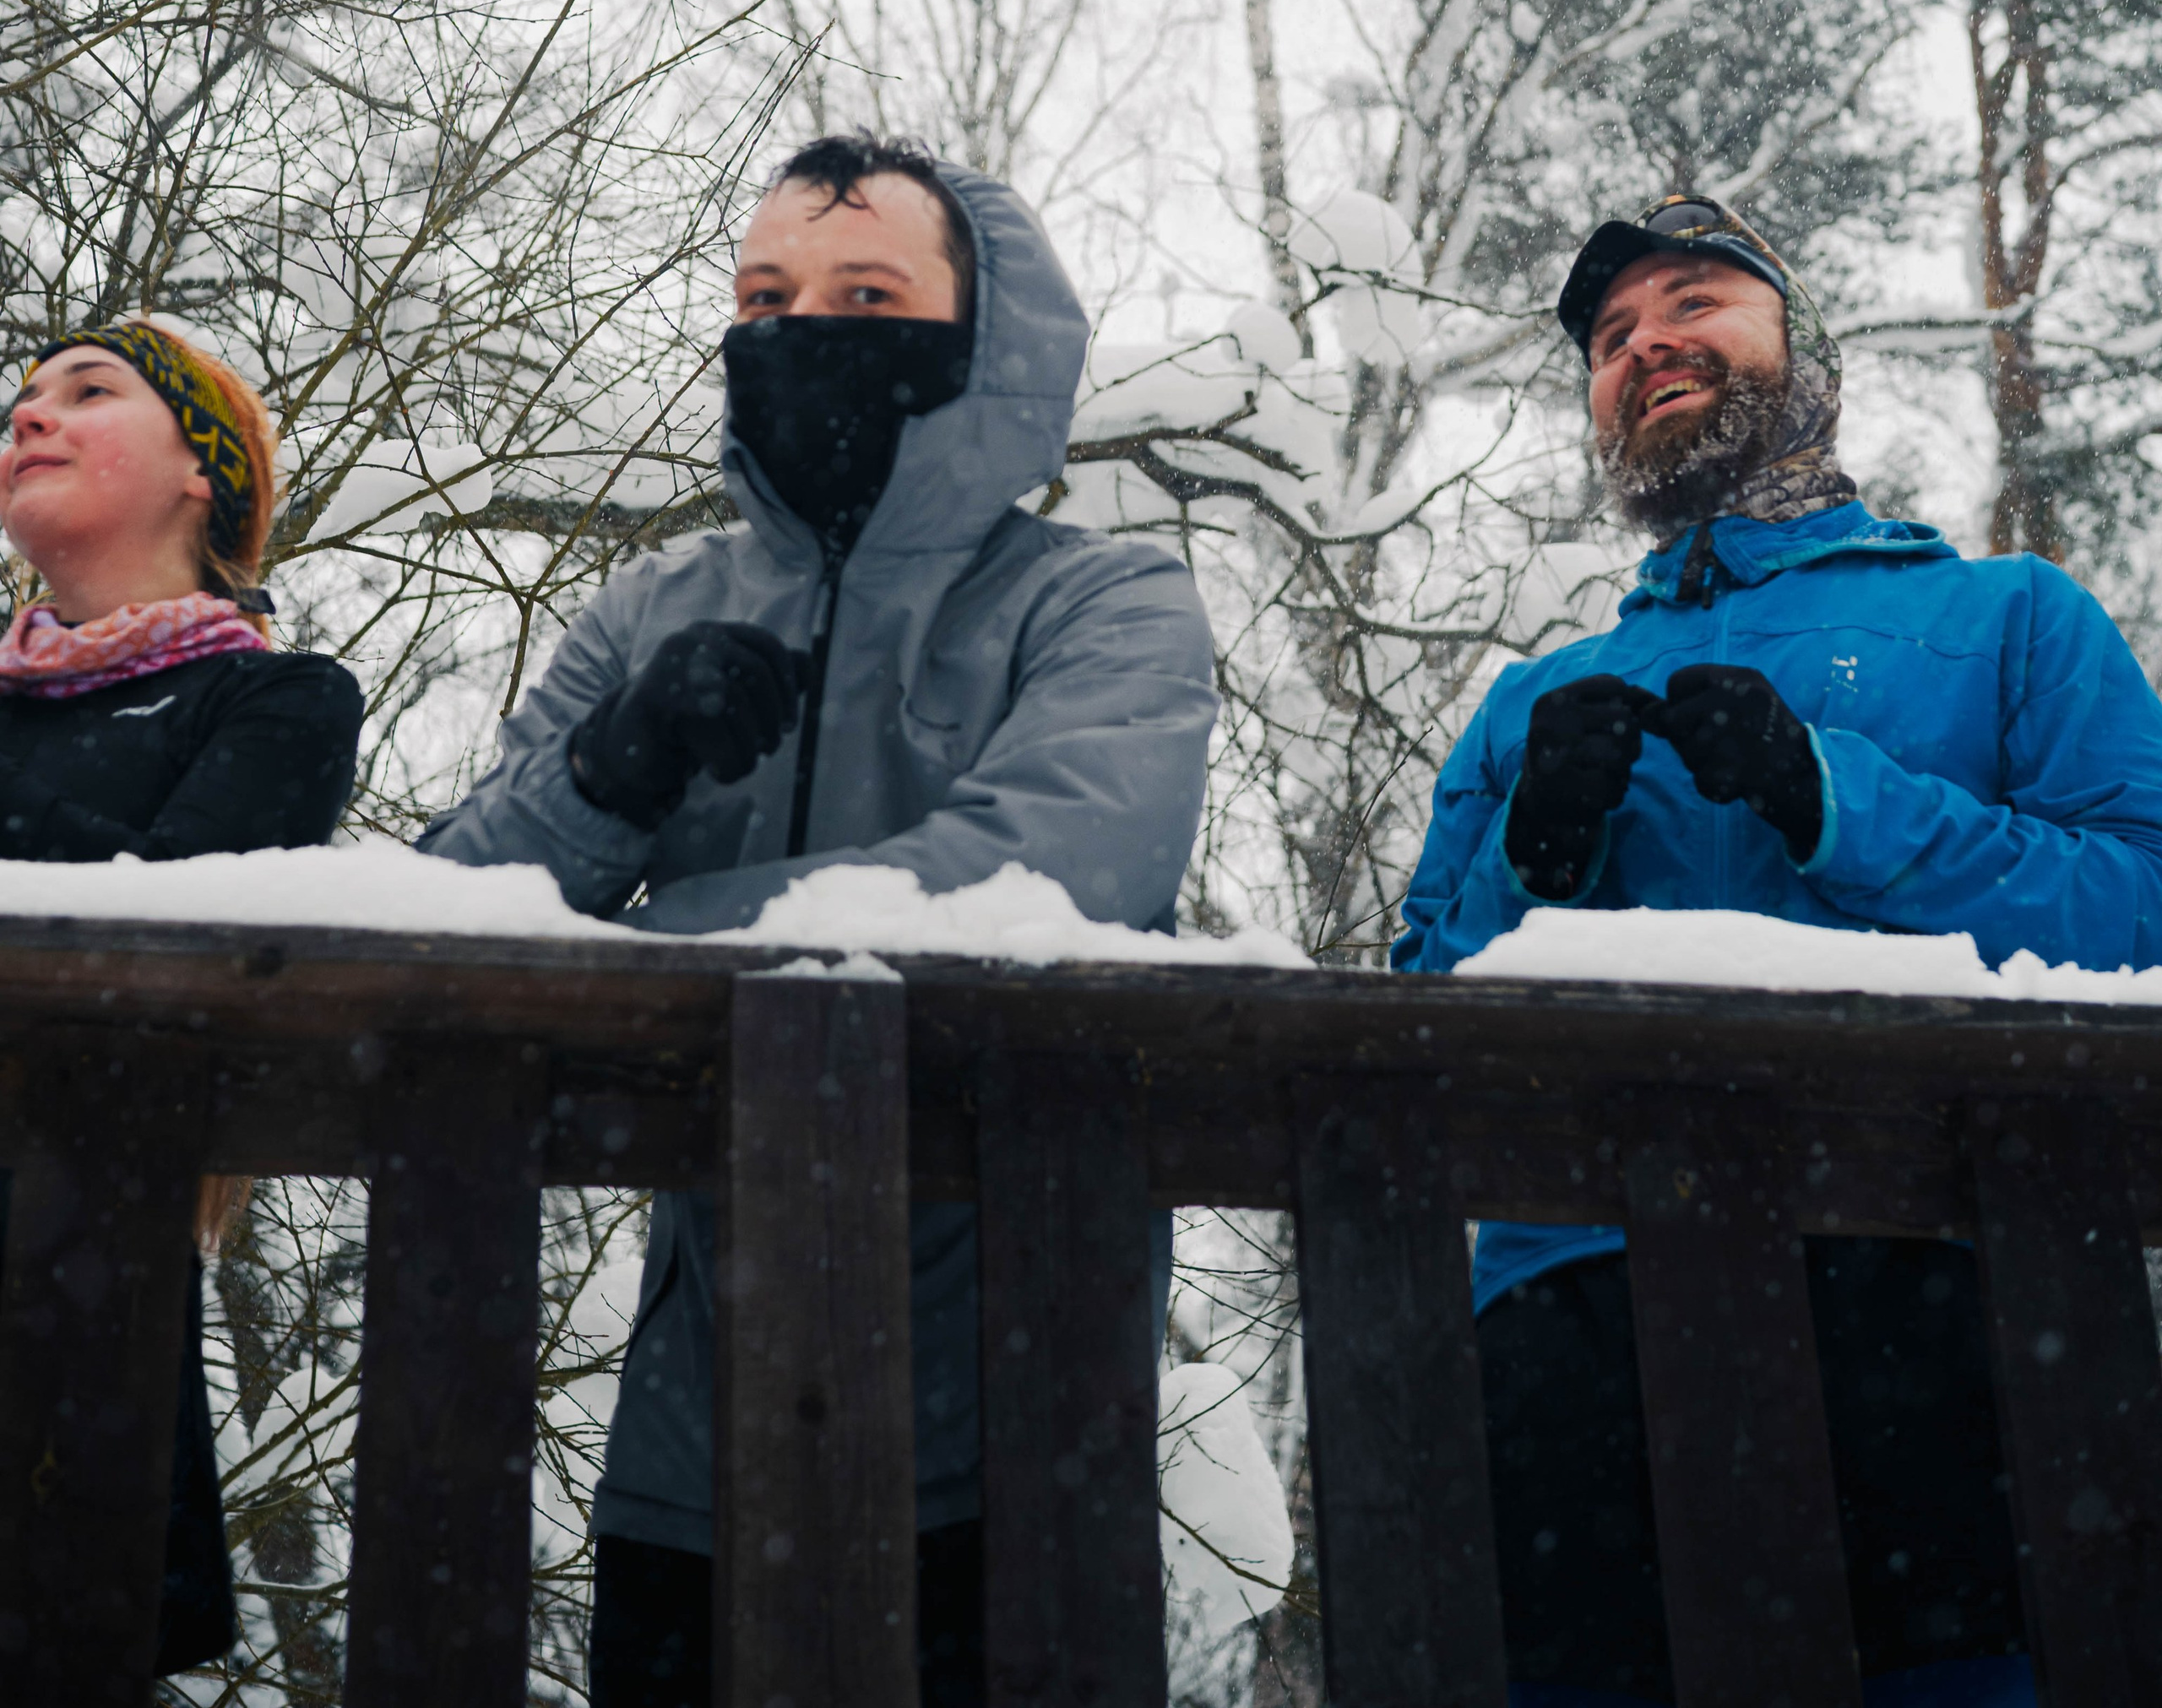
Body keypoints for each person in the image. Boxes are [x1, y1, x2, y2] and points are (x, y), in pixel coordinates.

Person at [419, 134, 1219, 1708]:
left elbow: (1043, 880)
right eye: (763, 294)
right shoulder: (649, 609)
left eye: (868, 292)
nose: (803, 328)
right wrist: (609, 767)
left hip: (1022, 1414)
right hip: (694, 1433)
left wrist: (642, 936)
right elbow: (447, 922)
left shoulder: (1103, 601)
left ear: (980, 337)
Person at [1394, 192, 2162, 1708]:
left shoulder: (2010, 619)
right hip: (1577, 1318)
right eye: (1612, 338)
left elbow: (2138, 914)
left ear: (1804, 352)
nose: (1646, 346)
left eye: (1695, 304)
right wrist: (1532, 845)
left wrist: (1833, 794)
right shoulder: (1533, 703)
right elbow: (1427, 1022)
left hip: (1947, 1286)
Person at [0, 315, 362, 1677]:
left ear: (202, 471)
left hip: (72, 1308)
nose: (28, 415)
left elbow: (142, 960)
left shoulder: (273, 707)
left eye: (84, 391)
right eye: (21, 400)